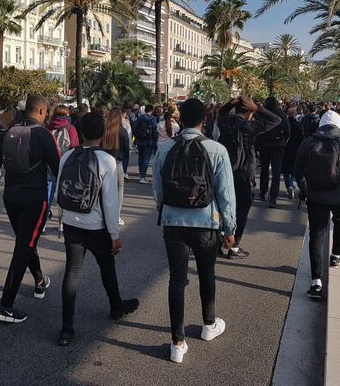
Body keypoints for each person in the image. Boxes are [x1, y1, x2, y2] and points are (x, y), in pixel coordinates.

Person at [153, 98, 236, 363]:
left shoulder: (165, 150)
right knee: (206, 274)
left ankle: (177, 342)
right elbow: (225, 194)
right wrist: (229, 227)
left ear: (181, 120)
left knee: (176, 279)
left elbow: (158, 190)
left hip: (173, 222)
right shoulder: (216, 149)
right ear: (203, 121)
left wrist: (165, 212)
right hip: (205, 222)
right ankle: (209, 325)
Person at [0, 95, 60, 323]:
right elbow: (58, 168)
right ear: (40, 111)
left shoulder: (9, 132)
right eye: (46, 112)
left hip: (10, 197)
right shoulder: (43, 135)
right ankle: (5, 305)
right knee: (24, 246)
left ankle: (39, 280)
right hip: (34, 199)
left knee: (26, 241)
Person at [56, 112, 139, 347]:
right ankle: (116, 307)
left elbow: (59, 194)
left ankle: (66, 328)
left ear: (81, 132)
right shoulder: (106, 160)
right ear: (102, 133)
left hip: (72, 222)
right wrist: (114, 235)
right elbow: (111, 202)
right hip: (96, 226)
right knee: (107, 268)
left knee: (72, 273)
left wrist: (62, 221)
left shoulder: (68, 156)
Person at [217, 97, 281, 259]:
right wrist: (258, 107)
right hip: (244, 173)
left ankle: (217, 242)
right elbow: (276, 119)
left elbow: (221, 111)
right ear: (249, 112)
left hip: (225, 171)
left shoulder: (225, 122)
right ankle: (234, 247)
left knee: (222, 207)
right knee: (241, 210)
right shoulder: (249, 126)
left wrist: (228, 104)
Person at [295, 110, 340, 299]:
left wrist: (305, 190)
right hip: (338, 196)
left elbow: (298, 170)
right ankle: (336, 254)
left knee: (317, 236)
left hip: (315, 196)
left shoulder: (309, 142)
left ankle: (316, 282)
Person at [257, 97, 291, 208]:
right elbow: (288, 131)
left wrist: (257, 145)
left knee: (264, 169)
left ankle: (263, 192)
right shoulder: (281, 114)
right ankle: (273, 197)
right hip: (279, 146)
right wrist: (283, 143)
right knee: (276, 173)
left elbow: (257, 130)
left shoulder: (262, 114)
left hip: (264, 145)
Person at [101, 107, 130, 226]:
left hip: (103, 162)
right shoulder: (122, 131)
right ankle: (116, 216)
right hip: (117, 163)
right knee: (119, 190)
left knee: (103, 189)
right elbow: (126, 149)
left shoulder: (103, 130)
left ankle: (103, 214)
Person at [282, 107, 304, 199]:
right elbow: (302, 138)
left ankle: (288, 187)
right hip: (296, 151)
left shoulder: (284, 124)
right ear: (295, 114)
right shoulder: (299, 125)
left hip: (285, 150)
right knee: (295, 171)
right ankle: (293, 185)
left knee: (286, 172)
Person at [133, 104, 158, 184]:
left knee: (140, 157)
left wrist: (137, 137)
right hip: (149, 141)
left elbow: (134, 128)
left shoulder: (140, 118)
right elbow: (155, 131)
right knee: (146, 159)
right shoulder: (153, 119)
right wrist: (155, 142)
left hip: (140, 140)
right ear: (152, 110)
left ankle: (141, 174)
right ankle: (142, 177)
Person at [121, 110, 133, 179]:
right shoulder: (126, 122)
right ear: (123, 113)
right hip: (125, 142)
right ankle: (124, 172)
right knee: (125, 158)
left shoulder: (113, 122)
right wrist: (130, 144)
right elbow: (129, 134)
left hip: (116, 143)